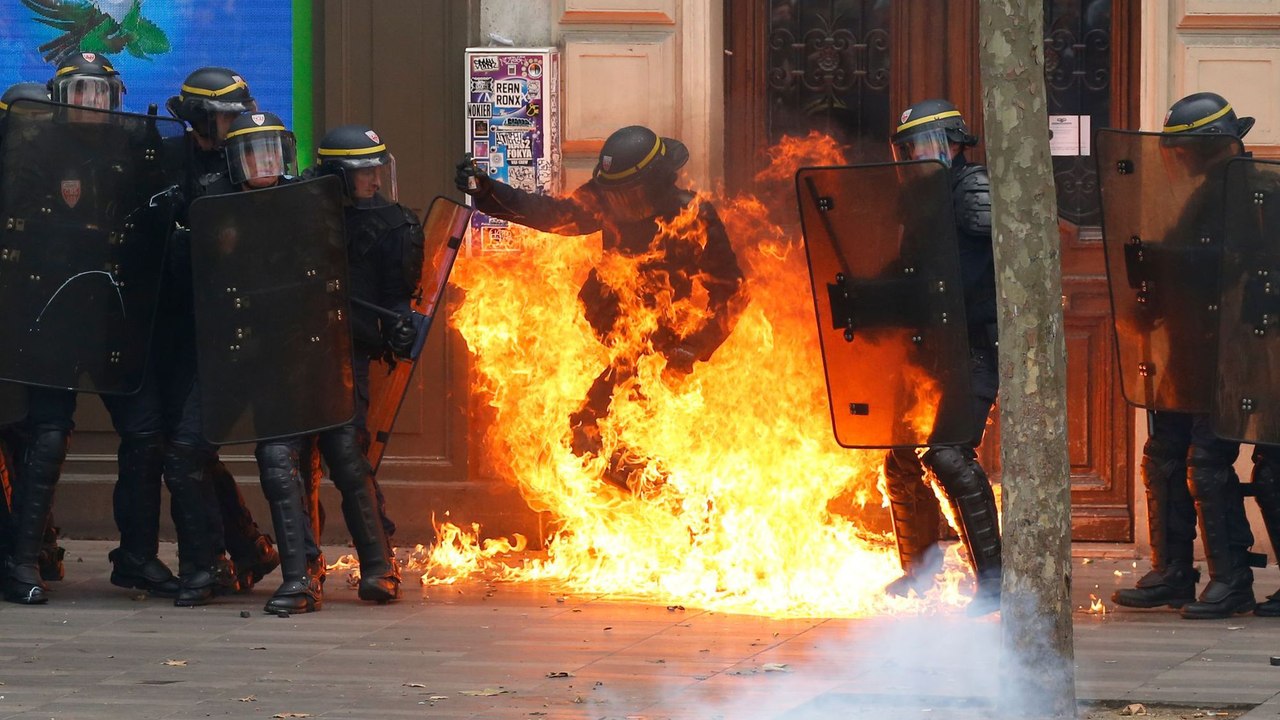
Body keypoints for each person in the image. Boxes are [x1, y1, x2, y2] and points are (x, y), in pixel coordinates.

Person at [454, 125, 748, 490]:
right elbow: (550, 214)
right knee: (587, 436)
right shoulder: (604, 200)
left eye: (628, 194)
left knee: (597, 432)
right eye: (613, 193)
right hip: (616, 332)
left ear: (655, 183)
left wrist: (696, 345)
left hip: (661, 346)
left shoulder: (692, 215)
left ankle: (677, 499)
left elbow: (733, 292)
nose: (618, 203)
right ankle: (669, 497)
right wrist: (487, 192)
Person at [1110, 92, 1262, 620]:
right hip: (1188, 348)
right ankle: (1173, 572)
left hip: (1230, 352)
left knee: (1208, 461)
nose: (1178, 158)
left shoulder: (1254, 192)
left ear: (1207, 146)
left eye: (1183, 148)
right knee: (1165, 453)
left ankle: (1232, 581)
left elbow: (1241, 267)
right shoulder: (1204, 193)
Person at [878, 99, 1002, 615]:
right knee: (901, 456)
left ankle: (994, 584)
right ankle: (920, 573)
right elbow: (910, 268)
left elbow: (975, 276)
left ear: (952, 143)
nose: (913, 158)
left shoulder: (973, 191)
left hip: (973, 346)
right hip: (929, 348)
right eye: (907, 149)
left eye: (921, 147)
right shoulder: (922, 200)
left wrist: (918, 295)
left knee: (949, 454)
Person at [287, 123, 419, 605]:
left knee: (346, 453)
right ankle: (304, 566)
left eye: (378, 169)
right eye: (364, 172)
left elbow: (398, 296)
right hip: (295, 350)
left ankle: (380, 566)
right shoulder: (301, 216)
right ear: (339, 176)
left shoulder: (394, 225)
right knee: (294, 456)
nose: (375, 180)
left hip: (349, 351)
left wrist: (401, 326)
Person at [164, 67, 281, 592]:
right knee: (186, 451)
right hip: (182, 326)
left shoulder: (248, 166)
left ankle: (215, 562)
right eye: (226, 116)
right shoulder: (170, 162)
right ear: (198, 118)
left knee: (190, 452)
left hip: (240, 336)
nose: (236, 125)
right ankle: (239, 552)